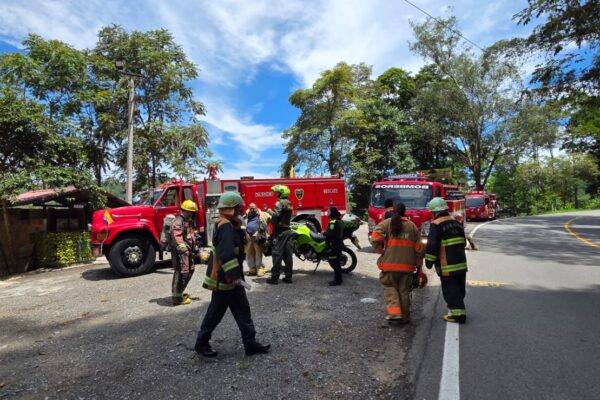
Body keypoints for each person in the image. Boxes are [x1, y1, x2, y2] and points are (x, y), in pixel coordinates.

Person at [195, 192, 270, 357]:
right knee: (215, 313)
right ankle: (201, 343)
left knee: (243, 310)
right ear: (232, 207)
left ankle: (250, 343)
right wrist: (234, 276)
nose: (240, 209)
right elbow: (226, 254)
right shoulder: (226, 226)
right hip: (225, 279)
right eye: (238, 207)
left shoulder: (229, 223)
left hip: (232, 279)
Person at [371, 203, 423, 324]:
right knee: (404, 291)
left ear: (393, 211)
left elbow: (375, 238)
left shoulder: (386, 223)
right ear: (405, 212)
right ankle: (405, 316)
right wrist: (419, 267)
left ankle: (395, 314)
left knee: (389, 287)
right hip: (407, 266)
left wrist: (380, 251)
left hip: (389, 266)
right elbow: (419, 249)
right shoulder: (412, 226)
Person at [425, 197, 468, 324]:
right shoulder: (456, 222)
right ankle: (457, 308)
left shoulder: (436, 224)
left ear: (434, 212)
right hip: (461, 263)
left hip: (447, 265)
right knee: (459, 288)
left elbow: (432, 245)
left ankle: (458, 315)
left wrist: (429, 261)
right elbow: (463, 242)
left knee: (450, 289)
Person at [169, 200, 198, 305]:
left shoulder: (187, 221)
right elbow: (177, 237)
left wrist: (195, 247)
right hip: (180, 253)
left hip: (187, 252)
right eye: (190, 212)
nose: (191, 214)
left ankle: (179, 293)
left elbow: (190, 236)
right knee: (181, 272)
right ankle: (177, 298)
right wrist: (184, 250)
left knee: (190, 270)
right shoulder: (178, 221)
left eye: (192, 212)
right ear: (184, 211)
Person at [266, 185, 294, 284]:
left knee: (277, 254)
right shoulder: (289, 203)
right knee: (288, 255)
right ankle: (288, 277)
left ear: (281, 193)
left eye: (277, 193)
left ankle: (274, 278)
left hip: (280, 233)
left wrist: (269, 211)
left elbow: (276, 216)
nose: (276, 194)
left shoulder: (279, 203)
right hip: (287, 232)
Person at [244, 203, 270, 277]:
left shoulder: (262, 214)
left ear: (256, 208)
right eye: (250, 208)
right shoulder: (246, 215)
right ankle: (252, 268)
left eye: (253, 208)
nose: (252, 209)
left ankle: (259, 268)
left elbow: (270, 218)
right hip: (248, 237)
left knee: (258, 252)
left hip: (257, 236)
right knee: (249, 253)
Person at [324, 207, 344, 286]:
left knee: (334, 263)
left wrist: (324, 233)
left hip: (334, 245)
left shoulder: (333, 222)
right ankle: (339, 279)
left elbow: (331, 234)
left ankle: (337, 281)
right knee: (337, 263)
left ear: (332, 213)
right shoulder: (339, 220)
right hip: (339, 244)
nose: (327, 213)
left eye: (328, 212)